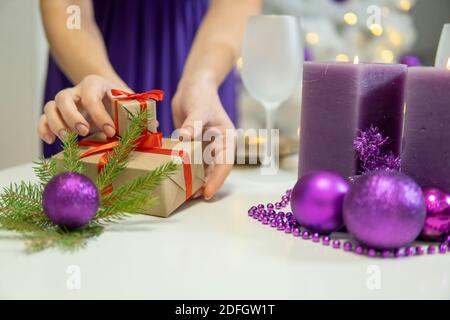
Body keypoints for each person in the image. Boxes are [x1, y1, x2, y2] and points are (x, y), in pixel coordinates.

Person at [37, 0, 261, 200]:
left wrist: (202, 80)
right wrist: (111, 91)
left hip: (201, 49)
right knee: (76, 199)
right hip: (91, 53)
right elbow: (67, 6)